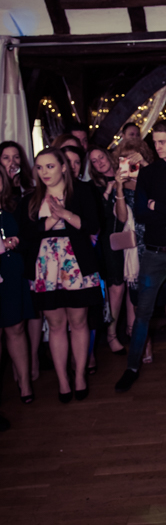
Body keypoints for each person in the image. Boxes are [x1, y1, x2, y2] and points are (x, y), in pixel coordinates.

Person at [114, 120, 166, 391]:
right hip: (153, 254)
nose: (157, 146)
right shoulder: (148, 174)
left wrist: (159, 206)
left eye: (162, 141)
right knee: (143, 312)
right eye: (155, 142)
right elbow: (141, 214)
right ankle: (132, 366)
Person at [18, 149, 102, 403]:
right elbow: (26, 235)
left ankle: (79, 377)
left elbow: (94, 225)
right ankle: (63, 381)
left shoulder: (83, 192)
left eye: (50, 166)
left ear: (63, 167)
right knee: (55, 326)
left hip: (76, 264)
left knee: (78, 323)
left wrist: (65, 215)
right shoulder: (31, 199)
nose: (44, 172)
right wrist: (50, 221)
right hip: (46, 267)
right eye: (40, 167)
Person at [0, 165, 34, 403]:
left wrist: (16, 241)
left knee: (16, 328)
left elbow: (28, 237)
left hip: (12, 272)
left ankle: (25, 383)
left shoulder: (13, 206)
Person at [88, 145, 126, 354]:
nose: (99, 162)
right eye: (94, 161)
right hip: (109, 241)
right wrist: (109, 190)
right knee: (116, 286)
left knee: (132, 287)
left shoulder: (126, 172)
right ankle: (111, 334)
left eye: (100, 157)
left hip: (132, 235)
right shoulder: (94, 186)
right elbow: (98, 216)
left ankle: (130, 330)